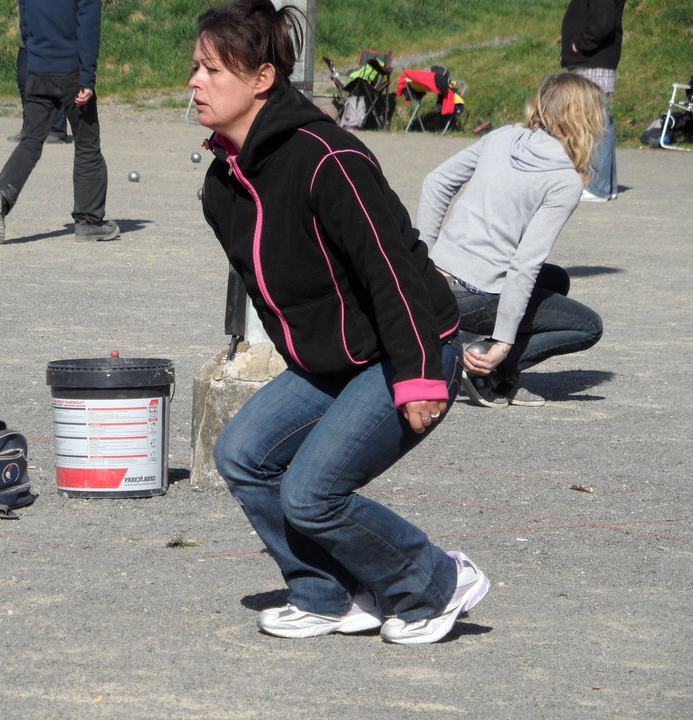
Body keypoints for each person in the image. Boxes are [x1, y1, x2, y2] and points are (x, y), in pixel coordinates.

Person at [193, 0, 488, 645]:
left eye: (214, 70)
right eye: (196, 68)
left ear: (262, 78)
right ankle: (329, 594)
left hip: (408, 349)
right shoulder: (224, 183)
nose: (196, 83)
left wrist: (416, 378)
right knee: (241, 454)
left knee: (311, 493)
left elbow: (395, 273)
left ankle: (438, 581)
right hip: (334, 362)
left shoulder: (328, 158)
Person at [416, 73, 605, 408]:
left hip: (436, 279)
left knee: (556, 279)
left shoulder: (502, 136)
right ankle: (478, 359)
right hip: (475, 293)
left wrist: (425, 259)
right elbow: (524, 265)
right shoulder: (564, 181)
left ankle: (490, 367)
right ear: (586, 119)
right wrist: (502, 345)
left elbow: (435, 182)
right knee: (588, 326)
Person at [0, 0, 117, 244]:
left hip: (37, 69)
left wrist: (36, 59)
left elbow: (25, 23)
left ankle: (1, 193)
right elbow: (88, 29)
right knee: (87, 144)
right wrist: (87, 77)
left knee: (30, 141)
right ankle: (89, 222)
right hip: (71, 72)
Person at [561, 0, 625, 202]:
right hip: (594, 59)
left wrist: (580, 43)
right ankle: (606, 185)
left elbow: (603, 22)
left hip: (593, 60)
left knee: (594, 122)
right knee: (601, 121)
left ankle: (598, 186)